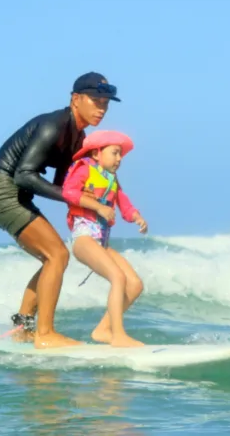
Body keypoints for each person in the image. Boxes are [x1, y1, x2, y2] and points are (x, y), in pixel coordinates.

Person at [0, 72, 120, 349]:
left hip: (17, 196)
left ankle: (23, 328)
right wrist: (77, 196)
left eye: (106, 102)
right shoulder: (53, 126)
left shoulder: (78, 138)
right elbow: (23, 175)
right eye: (95, 100)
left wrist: (92, 202)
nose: (101, 108)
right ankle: (45, 334)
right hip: (3, 191)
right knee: (57, 255)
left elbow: (63, 185)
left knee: (52, 258)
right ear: (75, 99)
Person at [62, 130, 148, 347]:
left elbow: (123, 202)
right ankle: (118, 336)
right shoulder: (84, 168)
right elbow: (69, 192)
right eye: (115, 153)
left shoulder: (111, 178)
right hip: (84, 239)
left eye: (121, 155)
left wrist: (136, 216)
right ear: (97, 153)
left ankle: (103, 330)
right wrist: (99, 207)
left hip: (101, 243)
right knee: (118, 277)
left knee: (135, 284)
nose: (119, 159)